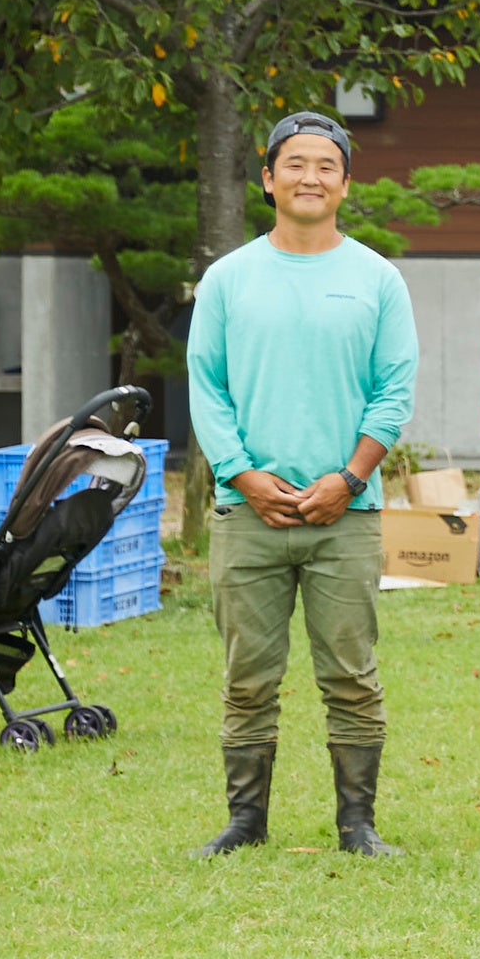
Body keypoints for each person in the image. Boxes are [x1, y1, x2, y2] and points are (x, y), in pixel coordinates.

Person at [186, 110, 418, 859]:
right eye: (294, 163)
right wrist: (243, 475)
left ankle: (358, 825)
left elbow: (393, 392)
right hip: (246, 513)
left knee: (351, 674)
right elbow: (206, 387)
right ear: (267, 178)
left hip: (345, 515)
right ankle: (244, 822)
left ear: (345, 184)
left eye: (326, 166)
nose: (310, 177)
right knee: (247, 677)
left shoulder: (377, 279)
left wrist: (349, 479)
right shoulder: (229, 279)